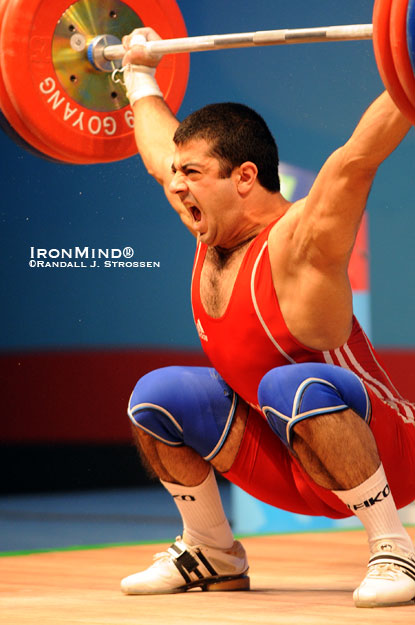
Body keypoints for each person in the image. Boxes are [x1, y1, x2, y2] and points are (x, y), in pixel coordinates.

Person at [117, 27, 415, 607]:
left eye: (193, 174)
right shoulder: (209, 222)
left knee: (290, 382)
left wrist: (410, 65)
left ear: (245, 178)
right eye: (179, 176)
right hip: (289, 462)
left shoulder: (301, 242)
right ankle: (213, 552)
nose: (177, 187)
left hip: (387, 454)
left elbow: (357, 159)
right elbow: (158, 154)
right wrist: (138, 71)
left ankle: (394, 548)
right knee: (159, 394)